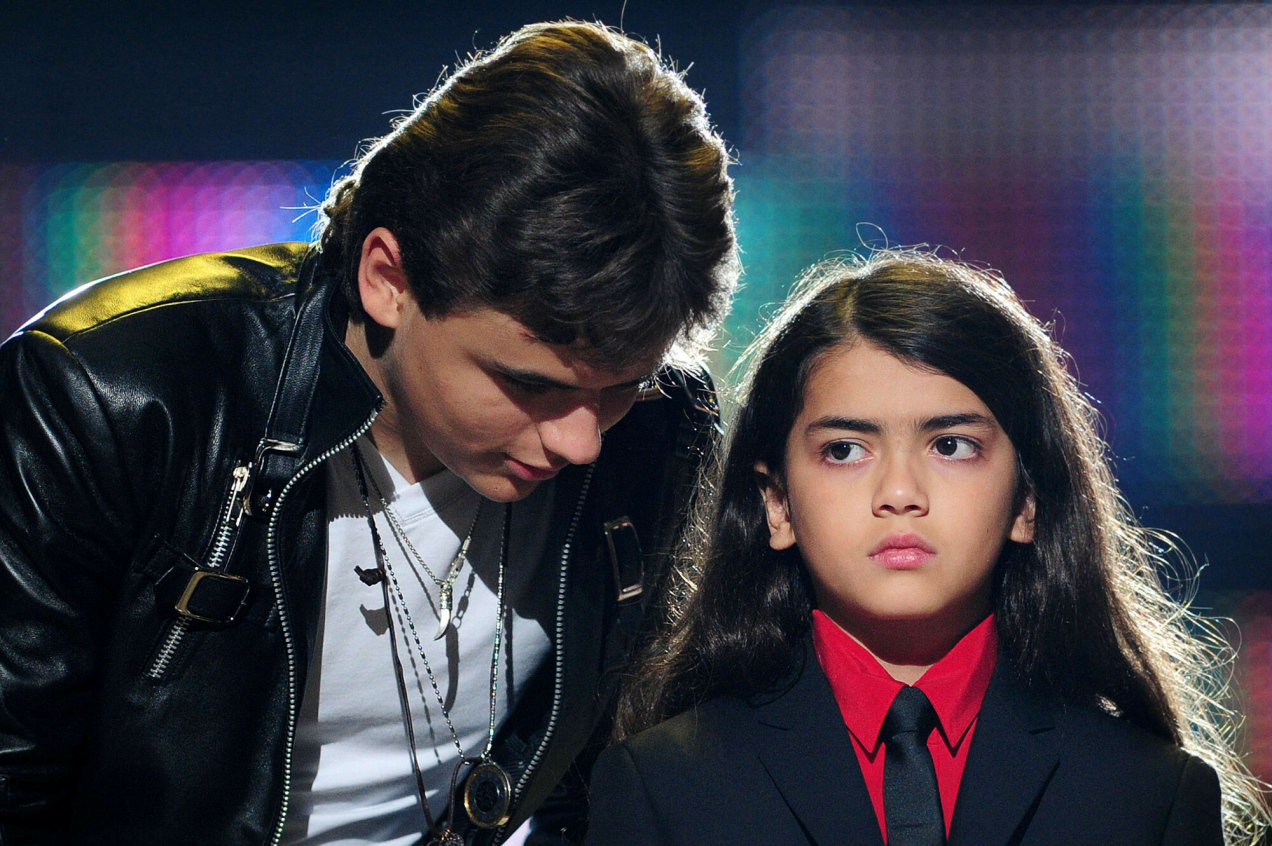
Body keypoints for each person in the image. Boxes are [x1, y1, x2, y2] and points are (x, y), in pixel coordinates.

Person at [0, 21, 737, 846]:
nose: (582, 442)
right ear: (388, 279)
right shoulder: (114, 394)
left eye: (623, 386)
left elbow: (613, 775)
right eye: (532, 384)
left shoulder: (661, 426)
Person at [585, 251, 1269, 846]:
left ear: (1027, 500)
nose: (900, 493)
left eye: (952, 446)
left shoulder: (1147, 795)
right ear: (777, 503)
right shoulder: (664, 787)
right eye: (844, 450)